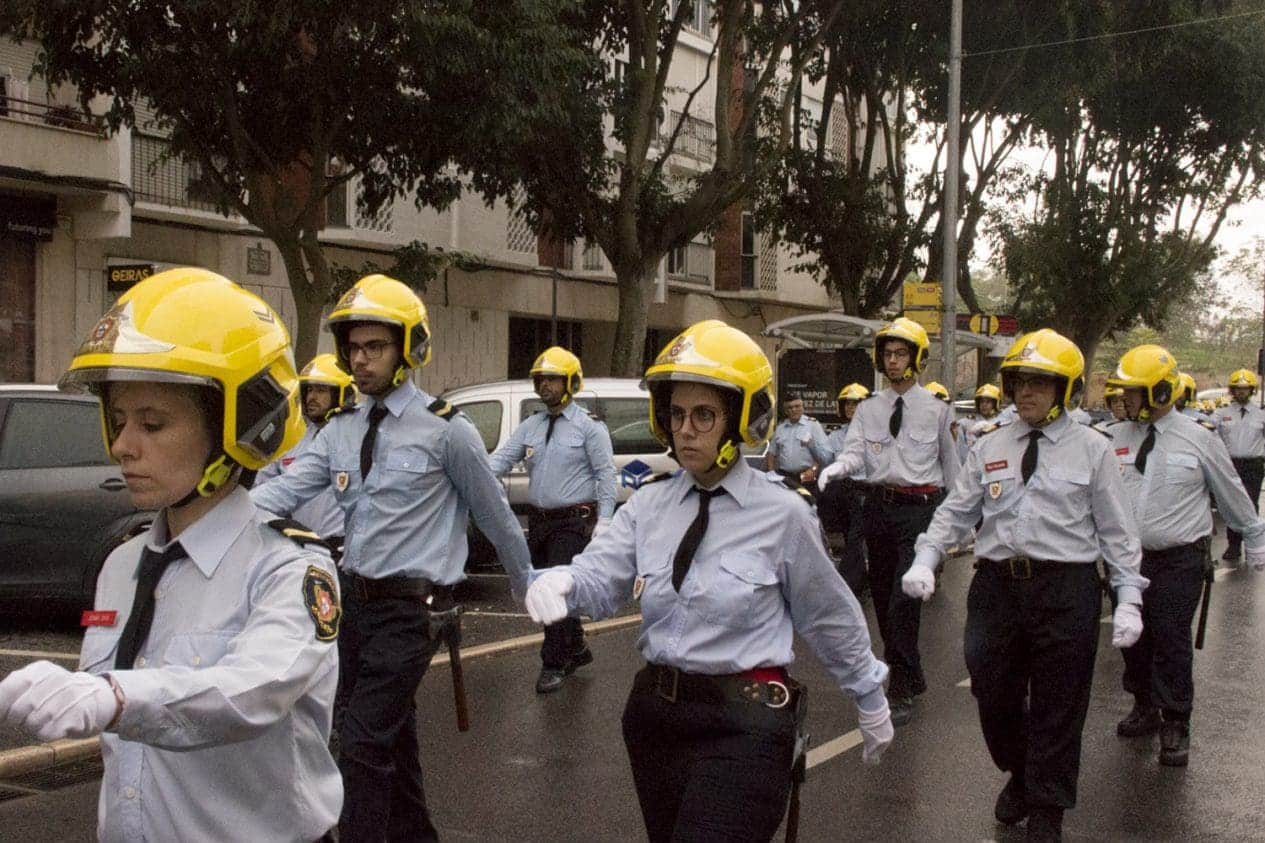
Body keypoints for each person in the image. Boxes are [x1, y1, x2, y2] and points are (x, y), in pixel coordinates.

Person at [0, 267, 343, 841]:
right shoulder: (121, 565)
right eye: (118, 420)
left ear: (239, 425)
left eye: (153, 424)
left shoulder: (289, 567)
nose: (122, 446)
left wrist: (113, 697)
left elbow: (252, 691)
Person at [523, 320, 893, 842]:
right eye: (676, 414)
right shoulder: (649, 504)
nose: (686, 430)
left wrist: (869, 694)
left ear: (741, 420)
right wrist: (563, 581)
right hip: (655, 720)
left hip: (745, 724)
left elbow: (828, 613)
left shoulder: (782, 514)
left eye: (704, 414)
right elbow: (600, 575)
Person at [250, 273, 532, 841]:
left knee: (360, 742)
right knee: (390, 741)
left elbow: (496, 515)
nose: (360, 360)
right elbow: (282, 493)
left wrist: (528, 586)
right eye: (353, 348)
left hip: (411, 613)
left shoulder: (447, 431)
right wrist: (211, 516)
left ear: (409, 349)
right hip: (352, 606)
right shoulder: (340, 430)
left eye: (375, 346)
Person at [901, 328, 1148, 843]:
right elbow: (957, 510)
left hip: (1066, 588)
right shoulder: (990, 444)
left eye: (1040, 383)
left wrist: (1128, 598)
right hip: (998, 588)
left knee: (1061, 702)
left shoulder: (1094, 450)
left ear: (1066, 389)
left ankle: (1047, 809)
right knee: (992, 692)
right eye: (1019, 382)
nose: (1026, 392)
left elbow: (1117, 532)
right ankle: (1021, 769)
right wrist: (927, 556)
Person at [1105, 345, 1265, 767]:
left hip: (1179, 560)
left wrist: (1254, 537)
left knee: (1171, 637)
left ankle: (1176, 718)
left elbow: (1231, 490)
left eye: (1133, 392)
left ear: (1159, 392)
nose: (1124, 399)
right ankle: (1144, 704)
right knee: (1133, 639)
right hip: (1126, 561)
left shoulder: (1199, 438)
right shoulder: (1113, 438)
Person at [818, 316, 960, 726]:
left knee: (902, 601)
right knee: (882, 599)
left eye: (900, 354)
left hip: (918, 510)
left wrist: (960, 525)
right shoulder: (868, 408)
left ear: (917, 359)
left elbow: (953, 470)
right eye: (888, 354)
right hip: (878, 508)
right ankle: (910, 673)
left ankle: (900, 685)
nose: (893, 361)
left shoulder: (937, 410)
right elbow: (855, 451)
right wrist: (840, 467)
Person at [488, 346, 616, 693]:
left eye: (553, 379)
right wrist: (471, 478)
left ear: (571, 383)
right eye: (541, 380)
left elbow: (605, 475)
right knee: (544, 588)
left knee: (553, 590)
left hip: (572, 523)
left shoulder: (589, 428)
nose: (545, 386)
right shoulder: (531, 425)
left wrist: (605, 521)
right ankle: (576, 647)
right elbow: (501, 460)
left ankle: (554, 663)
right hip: (540, 522)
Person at [256, 353, 357, 547]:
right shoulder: (292, 438)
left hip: (342, 548)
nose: (311, 397)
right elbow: (267, 486)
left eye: (321, 390)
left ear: (343, 393)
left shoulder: (358, 439)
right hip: (298, 546)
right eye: (309, 390)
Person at [819, 382, 870, 597]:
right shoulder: (836, 436)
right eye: (847, 404)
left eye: (856, 404)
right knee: (850, 538)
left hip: (867, 492)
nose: (851, 408)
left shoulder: (876, 434)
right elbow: (826, 459)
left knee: (857, 538)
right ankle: (862, 581)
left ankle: (849, 585)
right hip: (844, 492)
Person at [1215, 369, 1265, 562]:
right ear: (1232, 390)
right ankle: (1234, 545)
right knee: (1232, 504)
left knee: (1250, 504)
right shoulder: (1221, 414)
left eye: (1245, 388)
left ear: (1252, 390)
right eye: (1238, 388)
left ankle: (1253, 544)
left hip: (1253, 465)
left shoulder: (1260, 415)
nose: (1241, 391)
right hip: (1230, 464)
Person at [766, 392, 832, 489]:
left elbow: (825, 454)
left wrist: (814, 469)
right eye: (790, 407)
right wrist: (771, 473)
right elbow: (771, 453)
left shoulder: (813, 425)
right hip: (785, 477)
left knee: (806, 499)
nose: (794, 410)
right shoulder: (780, 428)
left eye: (797, 406)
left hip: (806, 476)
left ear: (802, 408)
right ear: (786, 411)